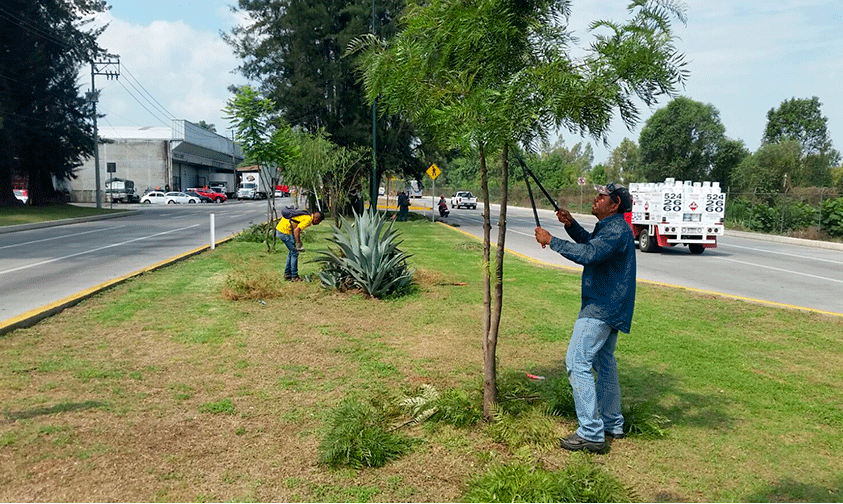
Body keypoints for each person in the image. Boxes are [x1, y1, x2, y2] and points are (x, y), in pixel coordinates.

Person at [533, 183, 636, 454]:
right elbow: (594, 246)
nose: (595, 199)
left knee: (576, 361)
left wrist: (551, 241)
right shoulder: (611, 228)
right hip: (609, 305)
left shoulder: (616, 229)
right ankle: (613, 423)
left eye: (601, 197)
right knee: (605, 363)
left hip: (602, 308)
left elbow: (590, 255)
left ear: (614, 204)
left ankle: (591, 433)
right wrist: (571, 225)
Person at [275, 210, 324, 281]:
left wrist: (298, 242)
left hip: (283, 229)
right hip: (284, 231)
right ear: (316, 219)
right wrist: (298, 245)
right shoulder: (308, 219)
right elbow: (297, 230)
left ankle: (287, 274)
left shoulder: (308, 215)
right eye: (319, 222)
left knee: (291, 252)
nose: (318, 224)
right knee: (294, 253)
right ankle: (294, 276)